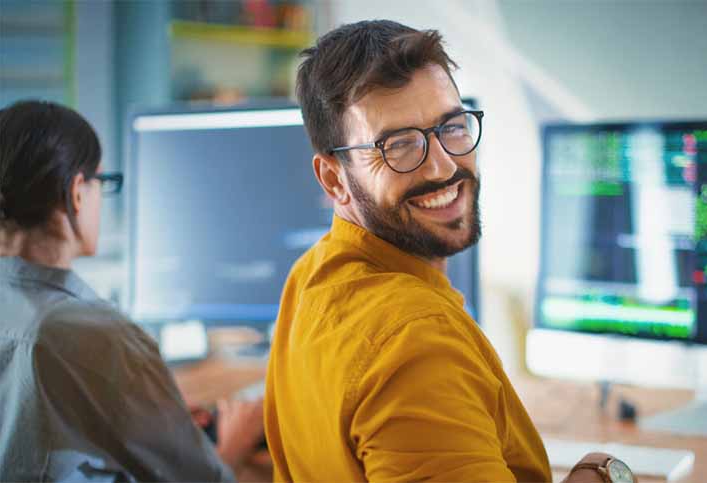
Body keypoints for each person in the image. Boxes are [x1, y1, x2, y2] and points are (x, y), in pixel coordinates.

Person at [264, 20, 616, 482]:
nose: (443, 165)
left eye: (451, 126)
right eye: (399, 145)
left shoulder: (312, 275)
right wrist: (601, 473)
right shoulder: (417, 343)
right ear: (334, 179)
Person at [0, 100, 265, 482]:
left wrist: (154, 419)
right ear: (77, 192)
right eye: (101, 184)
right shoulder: (89, 330)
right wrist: (238, 439)